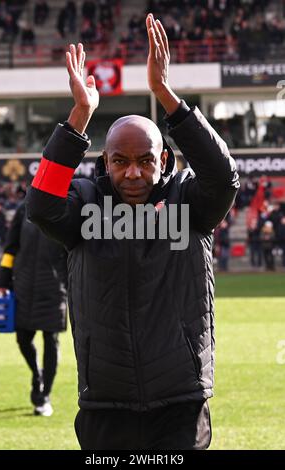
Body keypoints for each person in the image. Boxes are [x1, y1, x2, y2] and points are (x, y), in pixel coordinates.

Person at [26, 14, 240, 449]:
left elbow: (223, 177)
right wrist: (79, 118)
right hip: (106, 403)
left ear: (164, 162)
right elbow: (42, 205)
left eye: (145, 160)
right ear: (105, 163)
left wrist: (166, 96)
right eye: (120, 161)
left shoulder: (189, 202)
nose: (133, 173)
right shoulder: (85, 202)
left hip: (179, 401)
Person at [0, 201, 68, 417]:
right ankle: (37, 375)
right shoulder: (23, 208)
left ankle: (44, 395)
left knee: (51, 341)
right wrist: (2, 280)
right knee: (22, 338)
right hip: (24, 285)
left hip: (54, 288)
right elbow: (11, 248)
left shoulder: (65, 207)